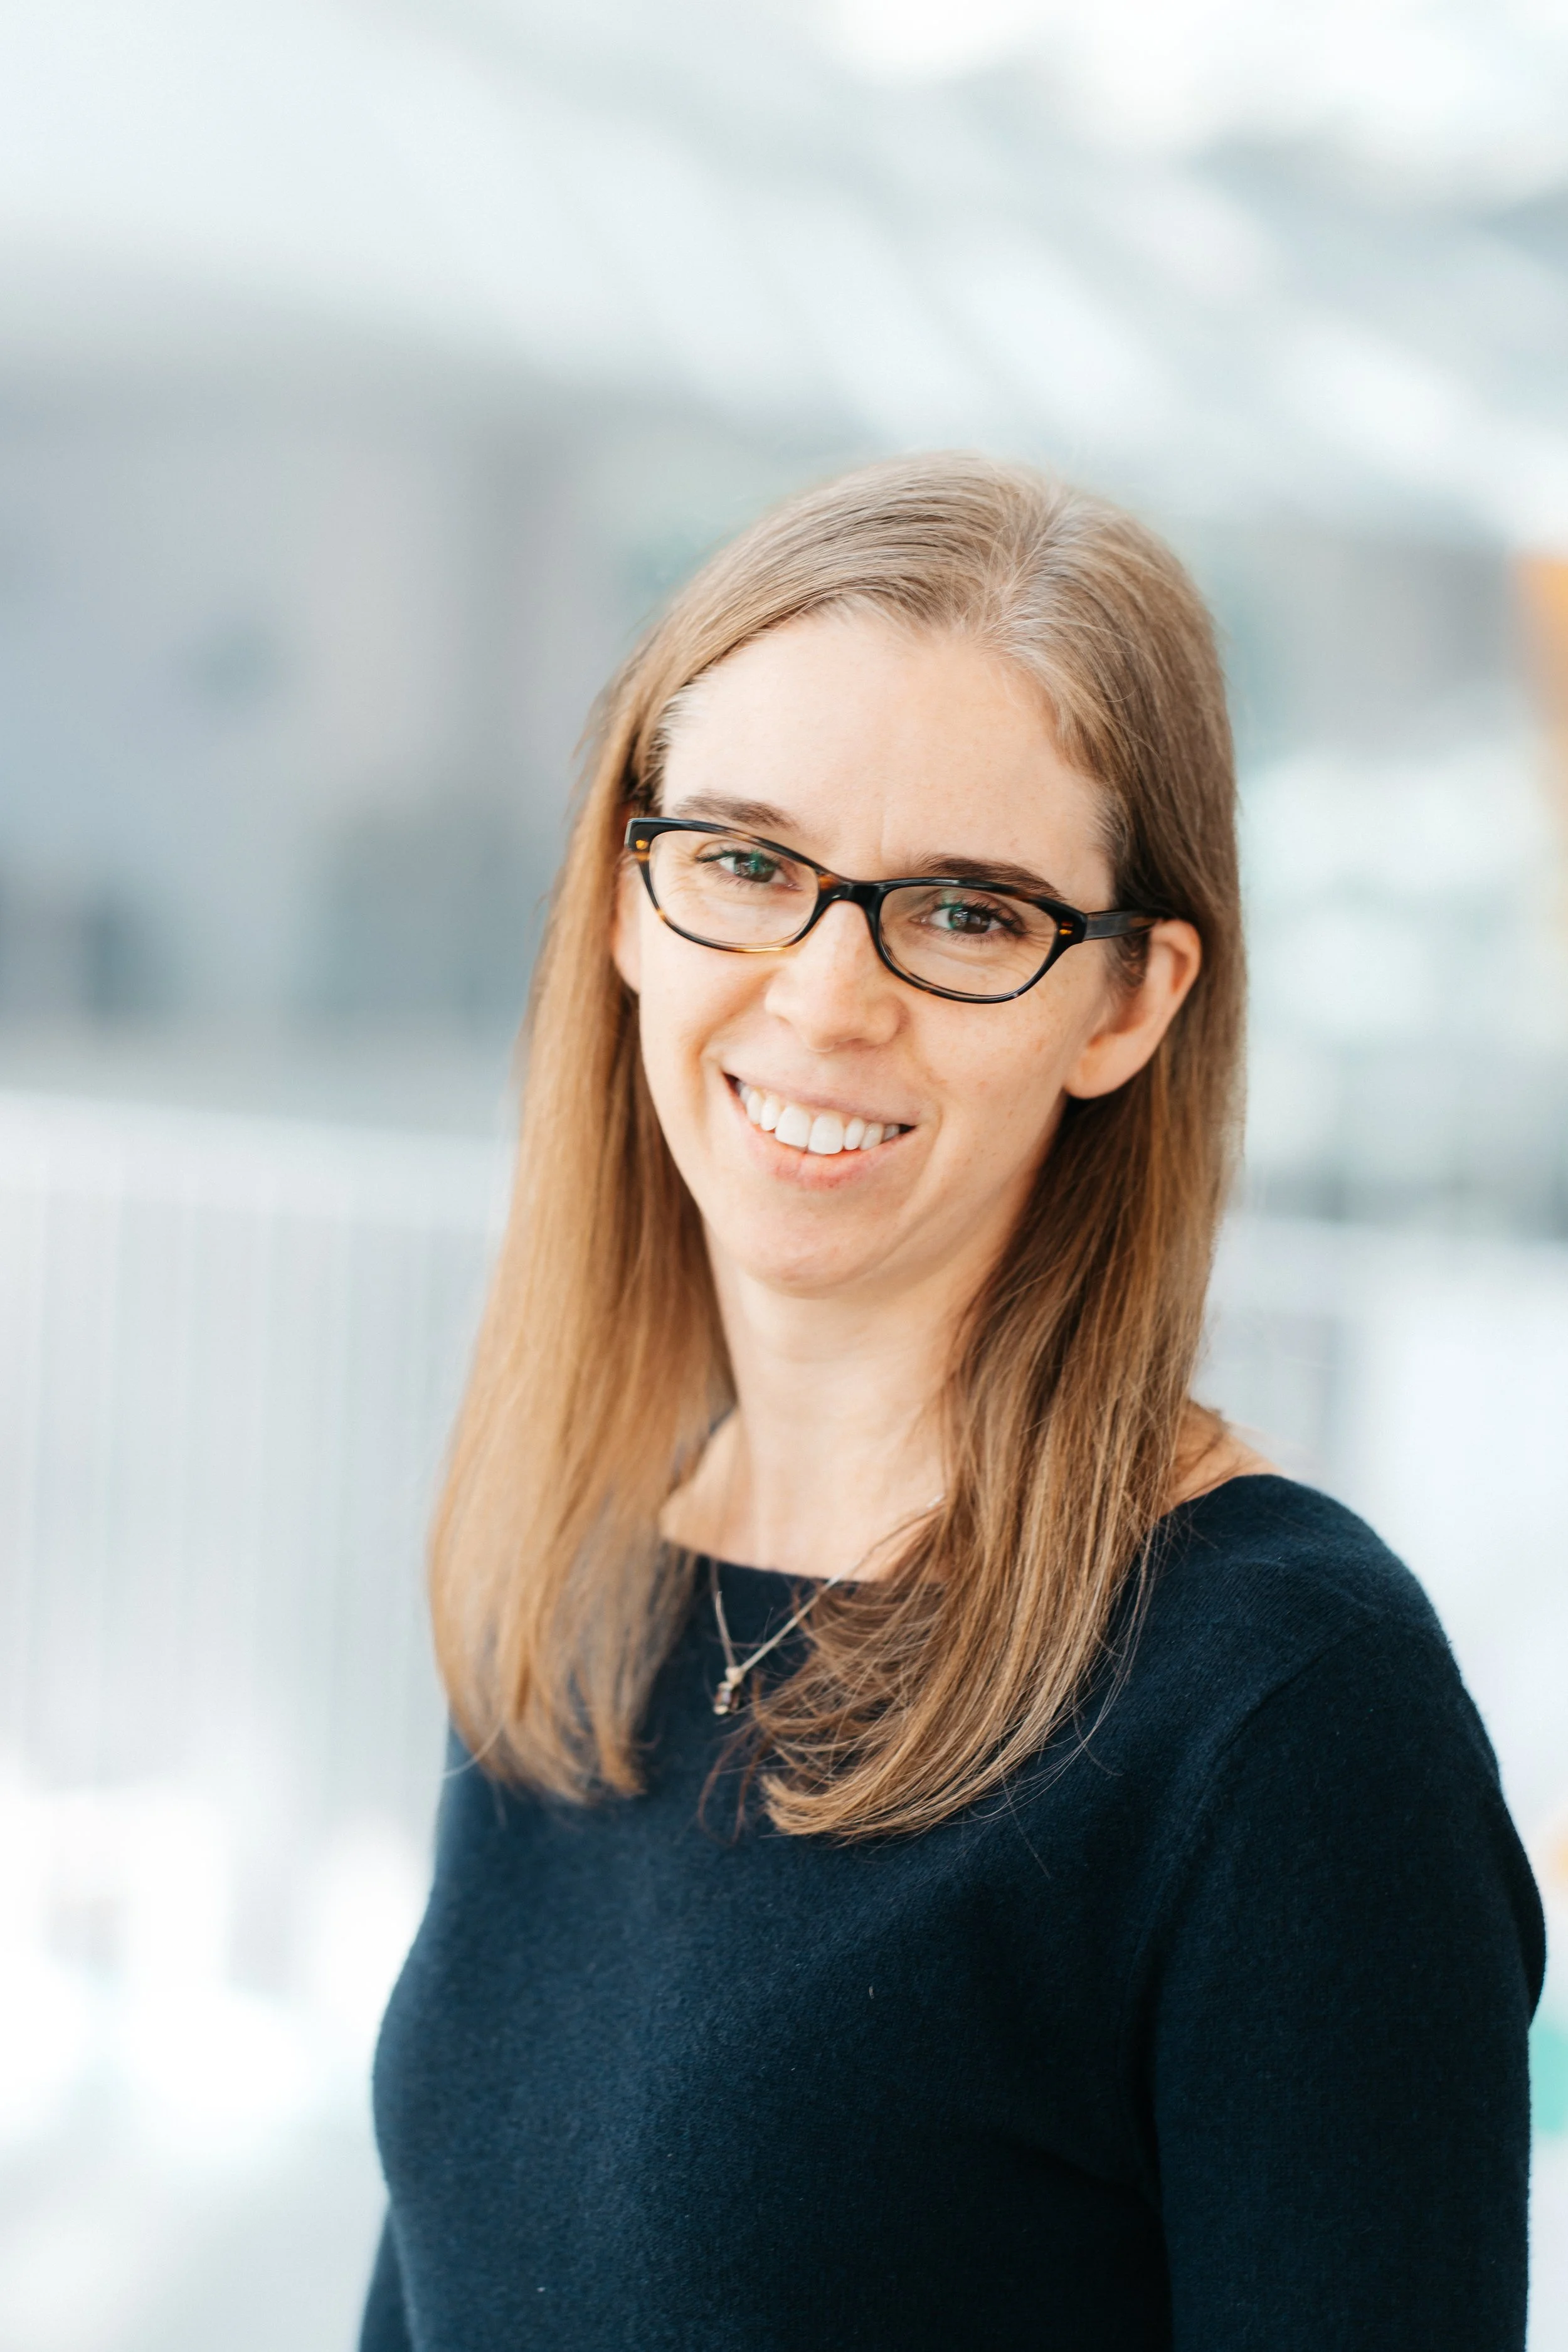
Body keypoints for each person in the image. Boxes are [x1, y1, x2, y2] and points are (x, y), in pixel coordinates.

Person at [360, 455, 1544, 2351]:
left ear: (1128, 1002)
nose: (824, 997)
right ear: (622, 896)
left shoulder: (1282, 1705)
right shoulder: (583, 1565)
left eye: (967, 913)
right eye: (744, 861)